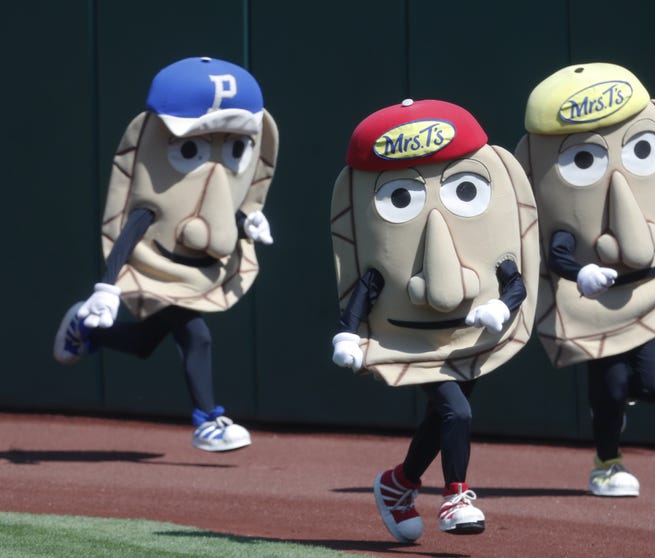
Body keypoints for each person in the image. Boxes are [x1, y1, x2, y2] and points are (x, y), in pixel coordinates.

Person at [329, 98, 539, 541]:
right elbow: (368, 284)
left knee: (440, 419)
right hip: (413, 339)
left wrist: (501, 306)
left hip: (468, 335)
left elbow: (516, 282)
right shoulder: (388, 249)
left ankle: (398, 484)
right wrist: (348, 335)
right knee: (456, 413)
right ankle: (456, 495)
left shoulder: (486, 240)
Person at [514, 62, 655, 496]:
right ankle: (607, 461)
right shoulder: (568, 215)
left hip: (647, 299)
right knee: (608, 389)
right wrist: (580, 271)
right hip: (597, 312)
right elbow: (556, 251)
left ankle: (612, 408)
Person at [53, 57, 279, 452]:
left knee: (144, 343)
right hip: (156, 271)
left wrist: (246, 222)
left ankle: (87, 332)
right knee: (197, 336)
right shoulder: (153, 193)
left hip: (196, 275)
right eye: (191, 148)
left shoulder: (219, 186)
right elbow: (128, 235)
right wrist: (107, 288)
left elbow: (220, 209)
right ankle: (207, 419)